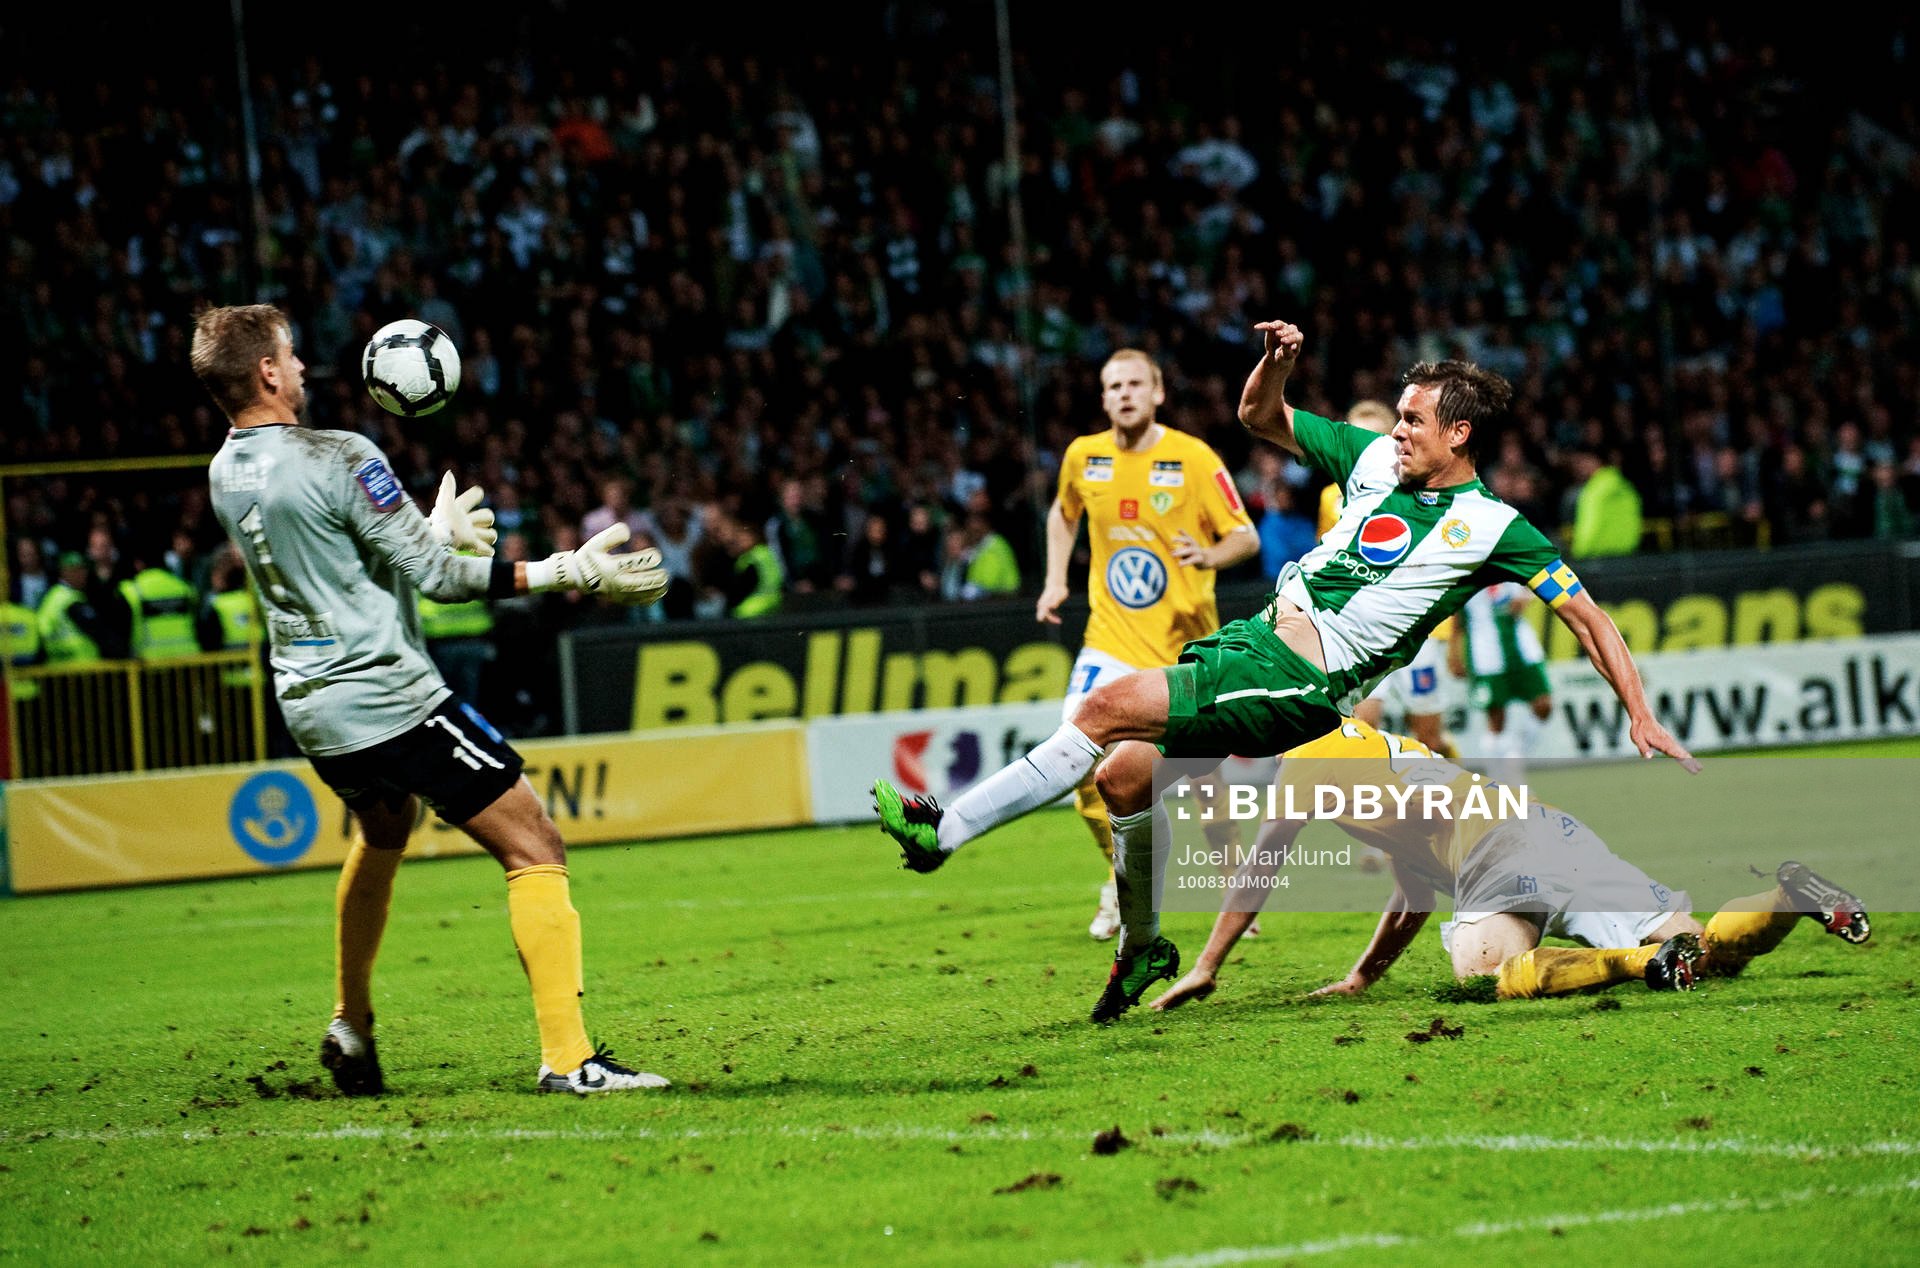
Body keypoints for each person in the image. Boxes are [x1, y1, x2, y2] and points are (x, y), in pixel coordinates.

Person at [871, 320, 1697, 1024]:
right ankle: (1143, 947)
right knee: (1125, 777)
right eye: (1399, 417)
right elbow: (1258, 413)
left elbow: (1588, 614)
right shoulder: (1372, 460)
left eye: (1414, 421)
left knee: (1101, 709)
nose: (1398, 431)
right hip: (1252, 641)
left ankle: (944, 832)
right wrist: (1280, 362)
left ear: (1459, 435)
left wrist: (1639, 711)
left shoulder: (1495, 527)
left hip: (1299, 680)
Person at [194, 303, 671, 1096]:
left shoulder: (225, 471)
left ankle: (352, 1022)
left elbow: (335, 561)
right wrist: (564, 570)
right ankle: (568, 1058)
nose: (305, 366)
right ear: (268, 373)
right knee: (535, 845)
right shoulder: (340, 453)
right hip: (389, 695)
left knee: (384, 832)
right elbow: (443, 582)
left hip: (312, 706)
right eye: (292, 353)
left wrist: (421, 526)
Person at [1149, 719, 1870, 1012]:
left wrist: (1210, 961)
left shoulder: (1304, 765)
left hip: (1496, 856)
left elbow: (1257, 872)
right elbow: (1411, 892)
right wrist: (1364, 975)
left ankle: (1631, 964)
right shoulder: (1360, 741)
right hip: (1546, 826)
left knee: (1481, 973)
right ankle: (1787, 895)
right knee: (1701, 952)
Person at [1036, 348, 1259, 939]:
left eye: (1136, 383)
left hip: (1185, 648)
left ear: (1158, 392)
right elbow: (1062, 516)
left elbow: (1245, 536)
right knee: (1077, 758)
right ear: (1103, 397)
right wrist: (1056, 578)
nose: (1125, 394)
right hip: (1109, 640)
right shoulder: (1084, 456)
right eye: (1114, 386)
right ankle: (1121, 880)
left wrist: (1209, 555)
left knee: (1207, 781)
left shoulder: (1191, 457)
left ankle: (1234, 885)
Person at [1454, 581, 1552, 772]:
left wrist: (1527, 596)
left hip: (1524, 647)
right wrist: (1454, 652)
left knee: (1543, 705)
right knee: (1496, 718)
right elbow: (1456, 615)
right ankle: (1496, 776)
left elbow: (1536, 579)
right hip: (1485, 652)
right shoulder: (1464, 567)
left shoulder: (1511, 553)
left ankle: (1515, 756)